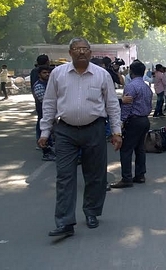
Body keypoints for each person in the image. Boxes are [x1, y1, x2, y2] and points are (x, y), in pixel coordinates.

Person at [38, 38, 122, 237]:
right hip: (65, 131)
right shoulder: (58, 74)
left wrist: (117, 132)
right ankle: (65, 222)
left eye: (85, 49)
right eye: (77, 49)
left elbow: (112, 104)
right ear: (70, 52)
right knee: (65, 176)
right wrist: (45, 131)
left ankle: (92, 212)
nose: (81, 52)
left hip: (95, 129)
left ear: (91, 53)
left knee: (95, 175)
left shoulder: (101, 75)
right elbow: (49, 103)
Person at [111, 60, 153, 189]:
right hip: (144, 119)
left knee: (126, 149)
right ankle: (140, 175)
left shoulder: (131, 86)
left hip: (134, 120)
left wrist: (121, 122)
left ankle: (126, 177)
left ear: (131, 72)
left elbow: (127, 105)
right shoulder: (146, 87)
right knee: (140, 148)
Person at [33, 66, 56, 161]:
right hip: (44, 113)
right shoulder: (39, 85)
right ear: (39, 74)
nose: (47, 74)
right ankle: (46, 153)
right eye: (44, 73)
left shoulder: (48, 83)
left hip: (48, 113)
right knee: (43, 133)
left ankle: (49, 150)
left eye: (48, 73)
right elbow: (45, 101)